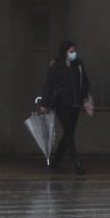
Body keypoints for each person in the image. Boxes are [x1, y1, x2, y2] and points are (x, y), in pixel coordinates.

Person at [39, 40, 91, 174]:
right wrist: (44, 104)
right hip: (62, 104)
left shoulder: (78, 65)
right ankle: (77, 164)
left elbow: (85, 82)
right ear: (64, 52)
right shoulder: (57, 66)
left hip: (75, 105)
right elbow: (49, 85)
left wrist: (82, 96)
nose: (74, 54)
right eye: (71, 51)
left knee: (69, 134)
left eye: (74, 51)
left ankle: (56, 162)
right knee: (69, 133)